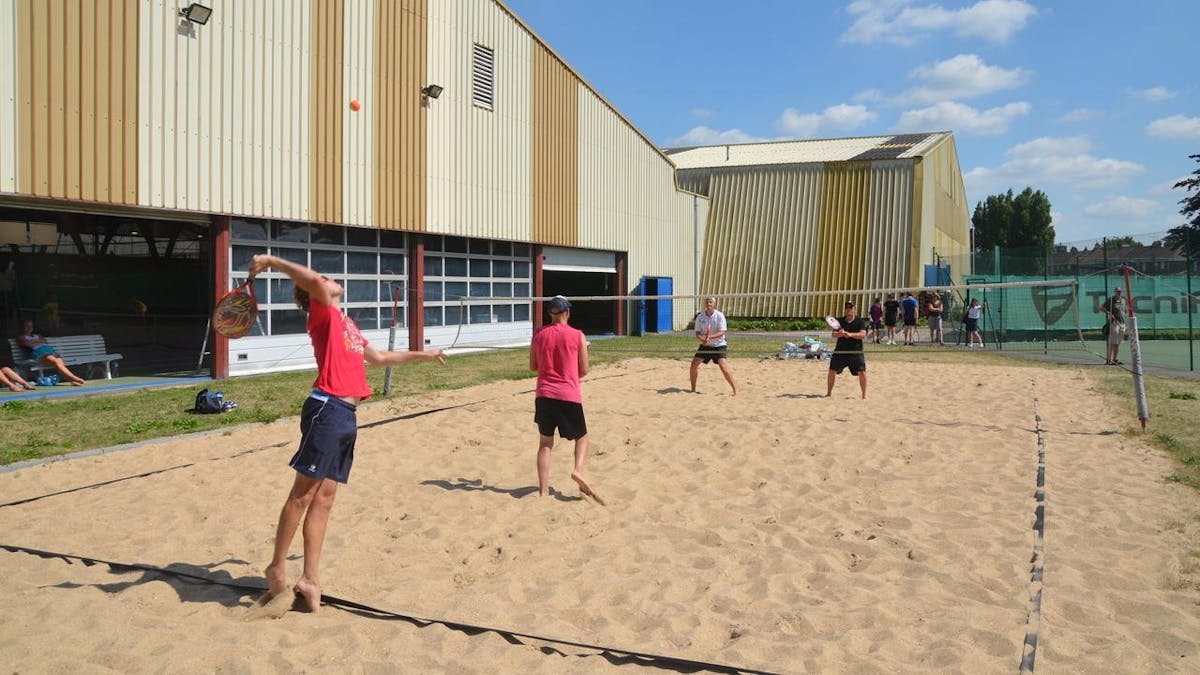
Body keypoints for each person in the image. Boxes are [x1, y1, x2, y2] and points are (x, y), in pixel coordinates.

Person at [247, 253, 447, 614]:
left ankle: (310, 577)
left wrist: (425, 355)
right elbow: (312, 280)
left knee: (325, 499)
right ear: (315, 293)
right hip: (326, 407)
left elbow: (381, 358)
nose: (329, 278)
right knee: (302, 496)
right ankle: (276, 566)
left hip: (346, 414)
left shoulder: (346, 322)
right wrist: (272, 261)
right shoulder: (322, 312)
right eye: (322, 278)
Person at [529, 295, 601, 502]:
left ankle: (543, 491)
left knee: (545, 443)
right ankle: (578, 470)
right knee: (582, 437)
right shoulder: (577, 335)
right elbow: (584, 370)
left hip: (543, 394)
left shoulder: (538, 334)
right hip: (568, 393)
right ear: (567, 312)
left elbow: (533, 367)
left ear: (550, 313)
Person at [690, 296, 737, 395]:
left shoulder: (719, 315)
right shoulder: (700, 316)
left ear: (714, 304)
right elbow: (697, 332)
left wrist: (710, 337)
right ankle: (693, 389)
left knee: (724, 368)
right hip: (706, 345)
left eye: (711, 302)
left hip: (719, 345)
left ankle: (735, 390)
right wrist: (702, 339)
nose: (709, 304)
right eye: (707, 302)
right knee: (694, 365)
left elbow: (722, 331)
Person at [16, 319, 85, 385]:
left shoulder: (38, 335)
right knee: (56, 361)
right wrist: (38, 341)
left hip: (48, 351)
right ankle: (73, 378)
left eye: (31, 326)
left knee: (58, 361)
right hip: (37, 354)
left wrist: (34, 341)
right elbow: (28, 344)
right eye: (26, 326)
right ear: (22, 327)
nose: (29, 328)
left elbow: (45, 341)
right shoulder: (22, 337)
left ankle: (72, 380)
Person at [827, 300, 867, 399]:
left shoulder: (860, 321)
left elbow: (863, 335)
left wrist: (850, 334)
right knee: (832, 371)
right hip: (840, 351)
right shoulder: (840, 321)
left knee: (862, 372)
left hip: (855, 352)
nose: (849, 309)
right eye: (847, 308)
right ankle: (828, 393)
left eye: (851, 307)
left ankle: (864, 396)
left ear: (855, 309)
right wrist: (839, 334)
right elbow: (833, 334)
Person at [1102, 287, 1128, 365]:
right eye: (1117, 291)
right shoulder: (1111, 300)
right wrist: (1109, 313)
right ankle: (1109, 360)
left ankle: (1115, 359)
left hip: (1122, 323)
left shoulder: (1123, 300)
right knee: (1112, 342)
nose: (1119, 293)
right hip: (1114, 323)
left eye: (1120, 291)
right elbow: (1101, 308)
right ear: (1115, 292)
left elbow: (1125, 310)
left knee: (1118, 343)